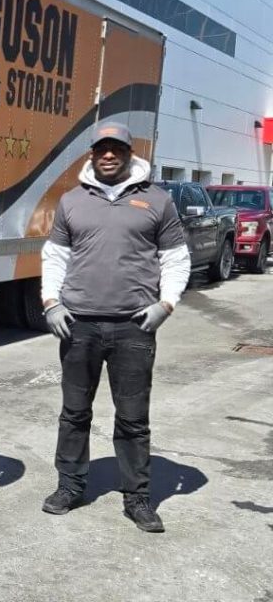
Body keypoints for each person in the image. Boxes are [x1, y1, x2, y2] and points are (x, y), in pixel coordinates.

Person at [40, 121, 190, 533]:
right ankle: (70, 486)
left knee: (133, 417)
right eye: (101, 149)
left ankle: (137, 497)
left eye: (116, 149)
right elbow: (55, 256)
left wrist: (166, 304)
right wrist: (51, 302)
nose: (108, 155)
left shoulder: (157, 200)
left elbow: (176, 258)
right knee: (74, 412)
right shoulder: (72, 201)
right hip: (78, 325)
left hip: (134, 327)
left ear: (129, 152)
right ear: (92, 154)